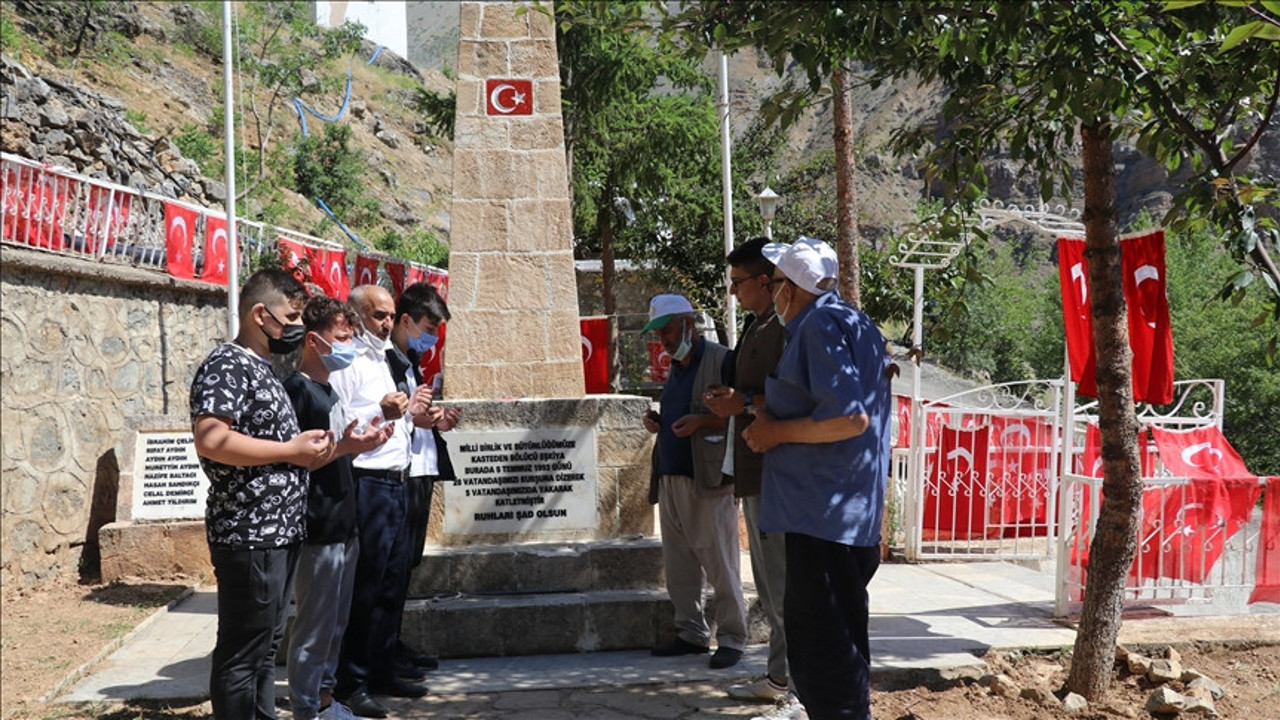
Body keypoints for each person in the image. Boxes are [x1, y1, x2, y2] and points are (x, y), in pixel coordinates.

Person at [742, 238, 892, 720]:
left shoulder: (820, 326)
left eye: (776, 283)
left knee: (823, 651)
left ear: (792, 288)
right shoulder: (853, 321)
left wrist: (773, 434)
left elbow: (850, 419)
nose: (773, 293)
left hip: (824, 517)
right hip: (841, 513)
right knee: (836, 642)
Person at [190, 269, 334, 720]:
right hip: (251, 533)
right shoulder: (227, 364)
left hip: (280, 533)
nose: (295, 327)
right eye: (290, 316)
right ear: (260, 313)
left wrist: (330, 447)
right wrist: (289, 449)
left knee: (265, 648)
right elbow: (211, 438)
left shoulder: (264, 368)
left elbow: (281, 456)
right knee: (242, 653)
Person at [284, 296, 395, 720]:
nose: (348, 345)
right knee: (313, 628)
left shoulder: (327, 388)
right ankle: (307, 708)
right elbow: (300, 458)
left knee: (335, 625)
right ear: (314, 340)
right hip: (319, 525)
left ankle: (326, 700)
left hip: (343, 522)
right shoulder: (299, 391)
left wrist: (356, 444)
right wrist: (348, 446)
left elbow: (333, 449)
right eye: (342, 338)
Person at [702, 239, 790, 705]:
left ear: (764, 281)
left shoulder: (784, 327)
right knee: (771, 590)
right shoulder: (760, 325)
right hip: (753, 468)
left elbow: (793, 397)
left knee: (781, 589)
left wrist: (746, 402)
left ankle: (790, 687)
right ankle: (778, 679)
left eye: (738, 283)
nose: (733, 293)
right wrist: (730, 398)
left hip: (775, 470)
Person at [641, 293, 748, 670]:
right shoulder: (676, 367)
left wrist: (703, 422)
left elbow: (743, 413)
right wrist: (659, 422)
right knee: (680, 565)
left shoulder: (722, 360)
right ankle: (691, 633)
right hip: (670, 477)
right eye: (659, 333)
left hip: (708, 479)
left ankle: (733, 638)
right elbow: (682, 411)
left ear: (688, 323)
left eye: (667, 330)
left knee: (720, 563)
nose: (664, 339)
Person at [330, 284, 420, 719]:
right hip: (367, 481)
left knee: (391, 584)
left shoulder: (386, 359)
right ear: (356, 316)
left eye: (389, 315)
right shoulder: (347, 363)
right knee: (364, 588)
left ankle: (382, 668)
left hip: (397, 480)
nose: (386, 323)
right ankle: (352, 682)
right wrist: (380, 413)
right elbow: (342, 424)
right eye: (377, 315)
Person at [385, 281, 460, 676]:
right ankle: (382, 656)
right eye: (427, 329)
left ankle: (392, 645)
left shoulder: (409, 363)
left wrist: (436, 421)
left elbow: (413, 419)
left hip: (420, 470)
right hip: (398, 474)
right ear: (406, 320)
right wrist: (416, 417)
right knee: (390, 572)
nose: (430, 338)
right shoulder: (386, 361)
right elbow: (392, 418)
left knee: (406, 565)